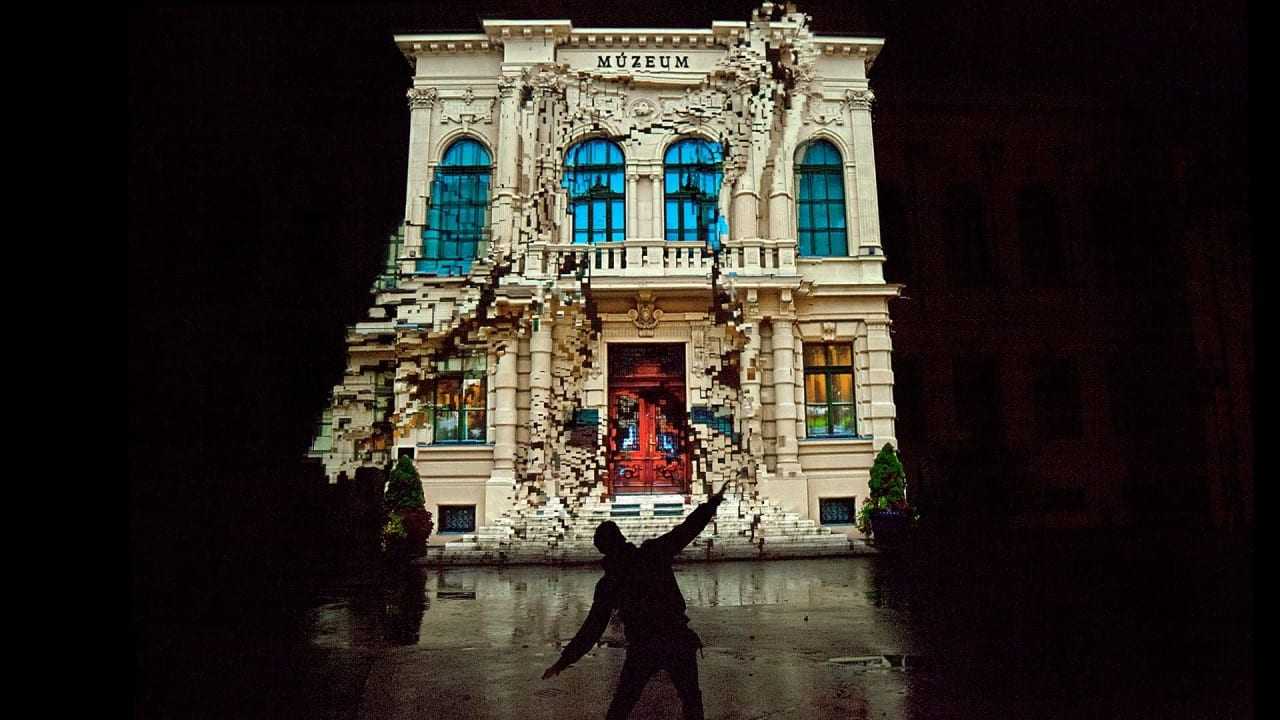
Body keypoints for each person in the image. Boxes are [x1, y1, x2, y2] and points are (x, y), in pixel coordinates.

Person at [541, 480, 731, 720]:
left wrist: (564, 661)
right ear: (621, 538)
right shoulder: (652, 554)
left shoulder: (610, 583)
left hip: (644, 646)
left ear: (603, 550)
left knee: (623, 703)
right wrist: (711, 504)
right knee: (691, 701)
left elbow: (592, 628)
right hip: (675, 639)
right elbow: (686, 531)